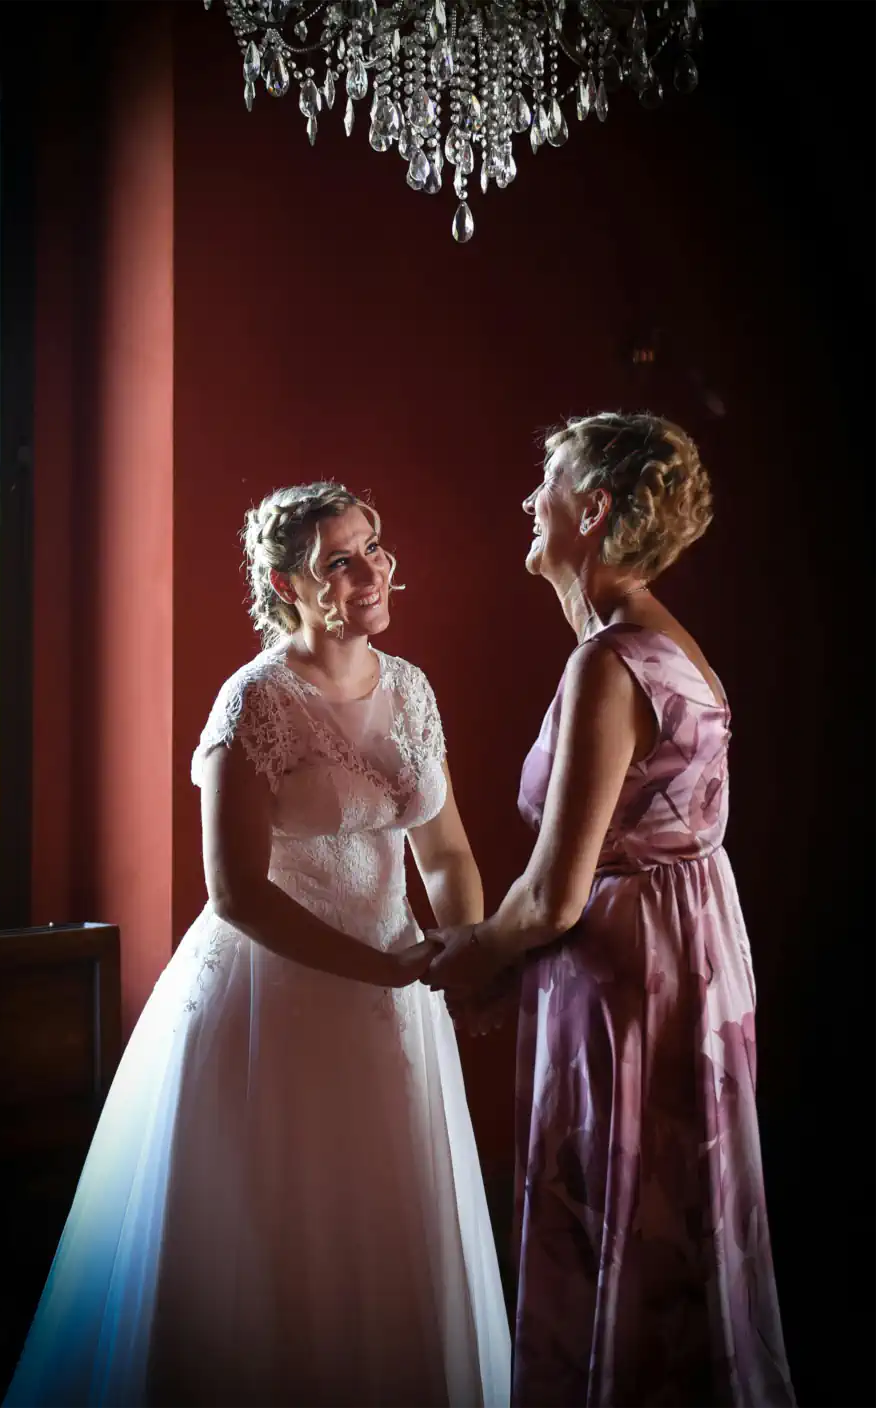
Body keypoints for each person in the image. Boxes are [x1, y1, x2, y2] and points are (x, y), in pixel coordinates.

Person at [4, 482, 511, 1407]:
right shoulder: (255, 704)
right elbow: (235, 892)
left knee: (388, 1230)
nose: (371, 572)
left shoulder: (411, 689)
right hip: (274, 1001)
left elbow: (445, 852)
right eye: (340, 563)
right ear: (288, 584)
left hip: (399, 996)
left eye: (374, 548)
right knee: (274, 1244)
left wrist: (465, 951)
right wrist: (386, 967)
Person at [425, 414, 796, 1407]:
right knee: (676, 1218)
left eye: (543, 484)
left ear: (590, 511)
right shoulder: (672, 644)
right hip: (690, 950)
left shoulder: (608, 662)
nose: (524, 502)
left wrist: (466, 957)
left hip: (627, 978)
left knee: (622, 1206)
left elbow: (553, 891)